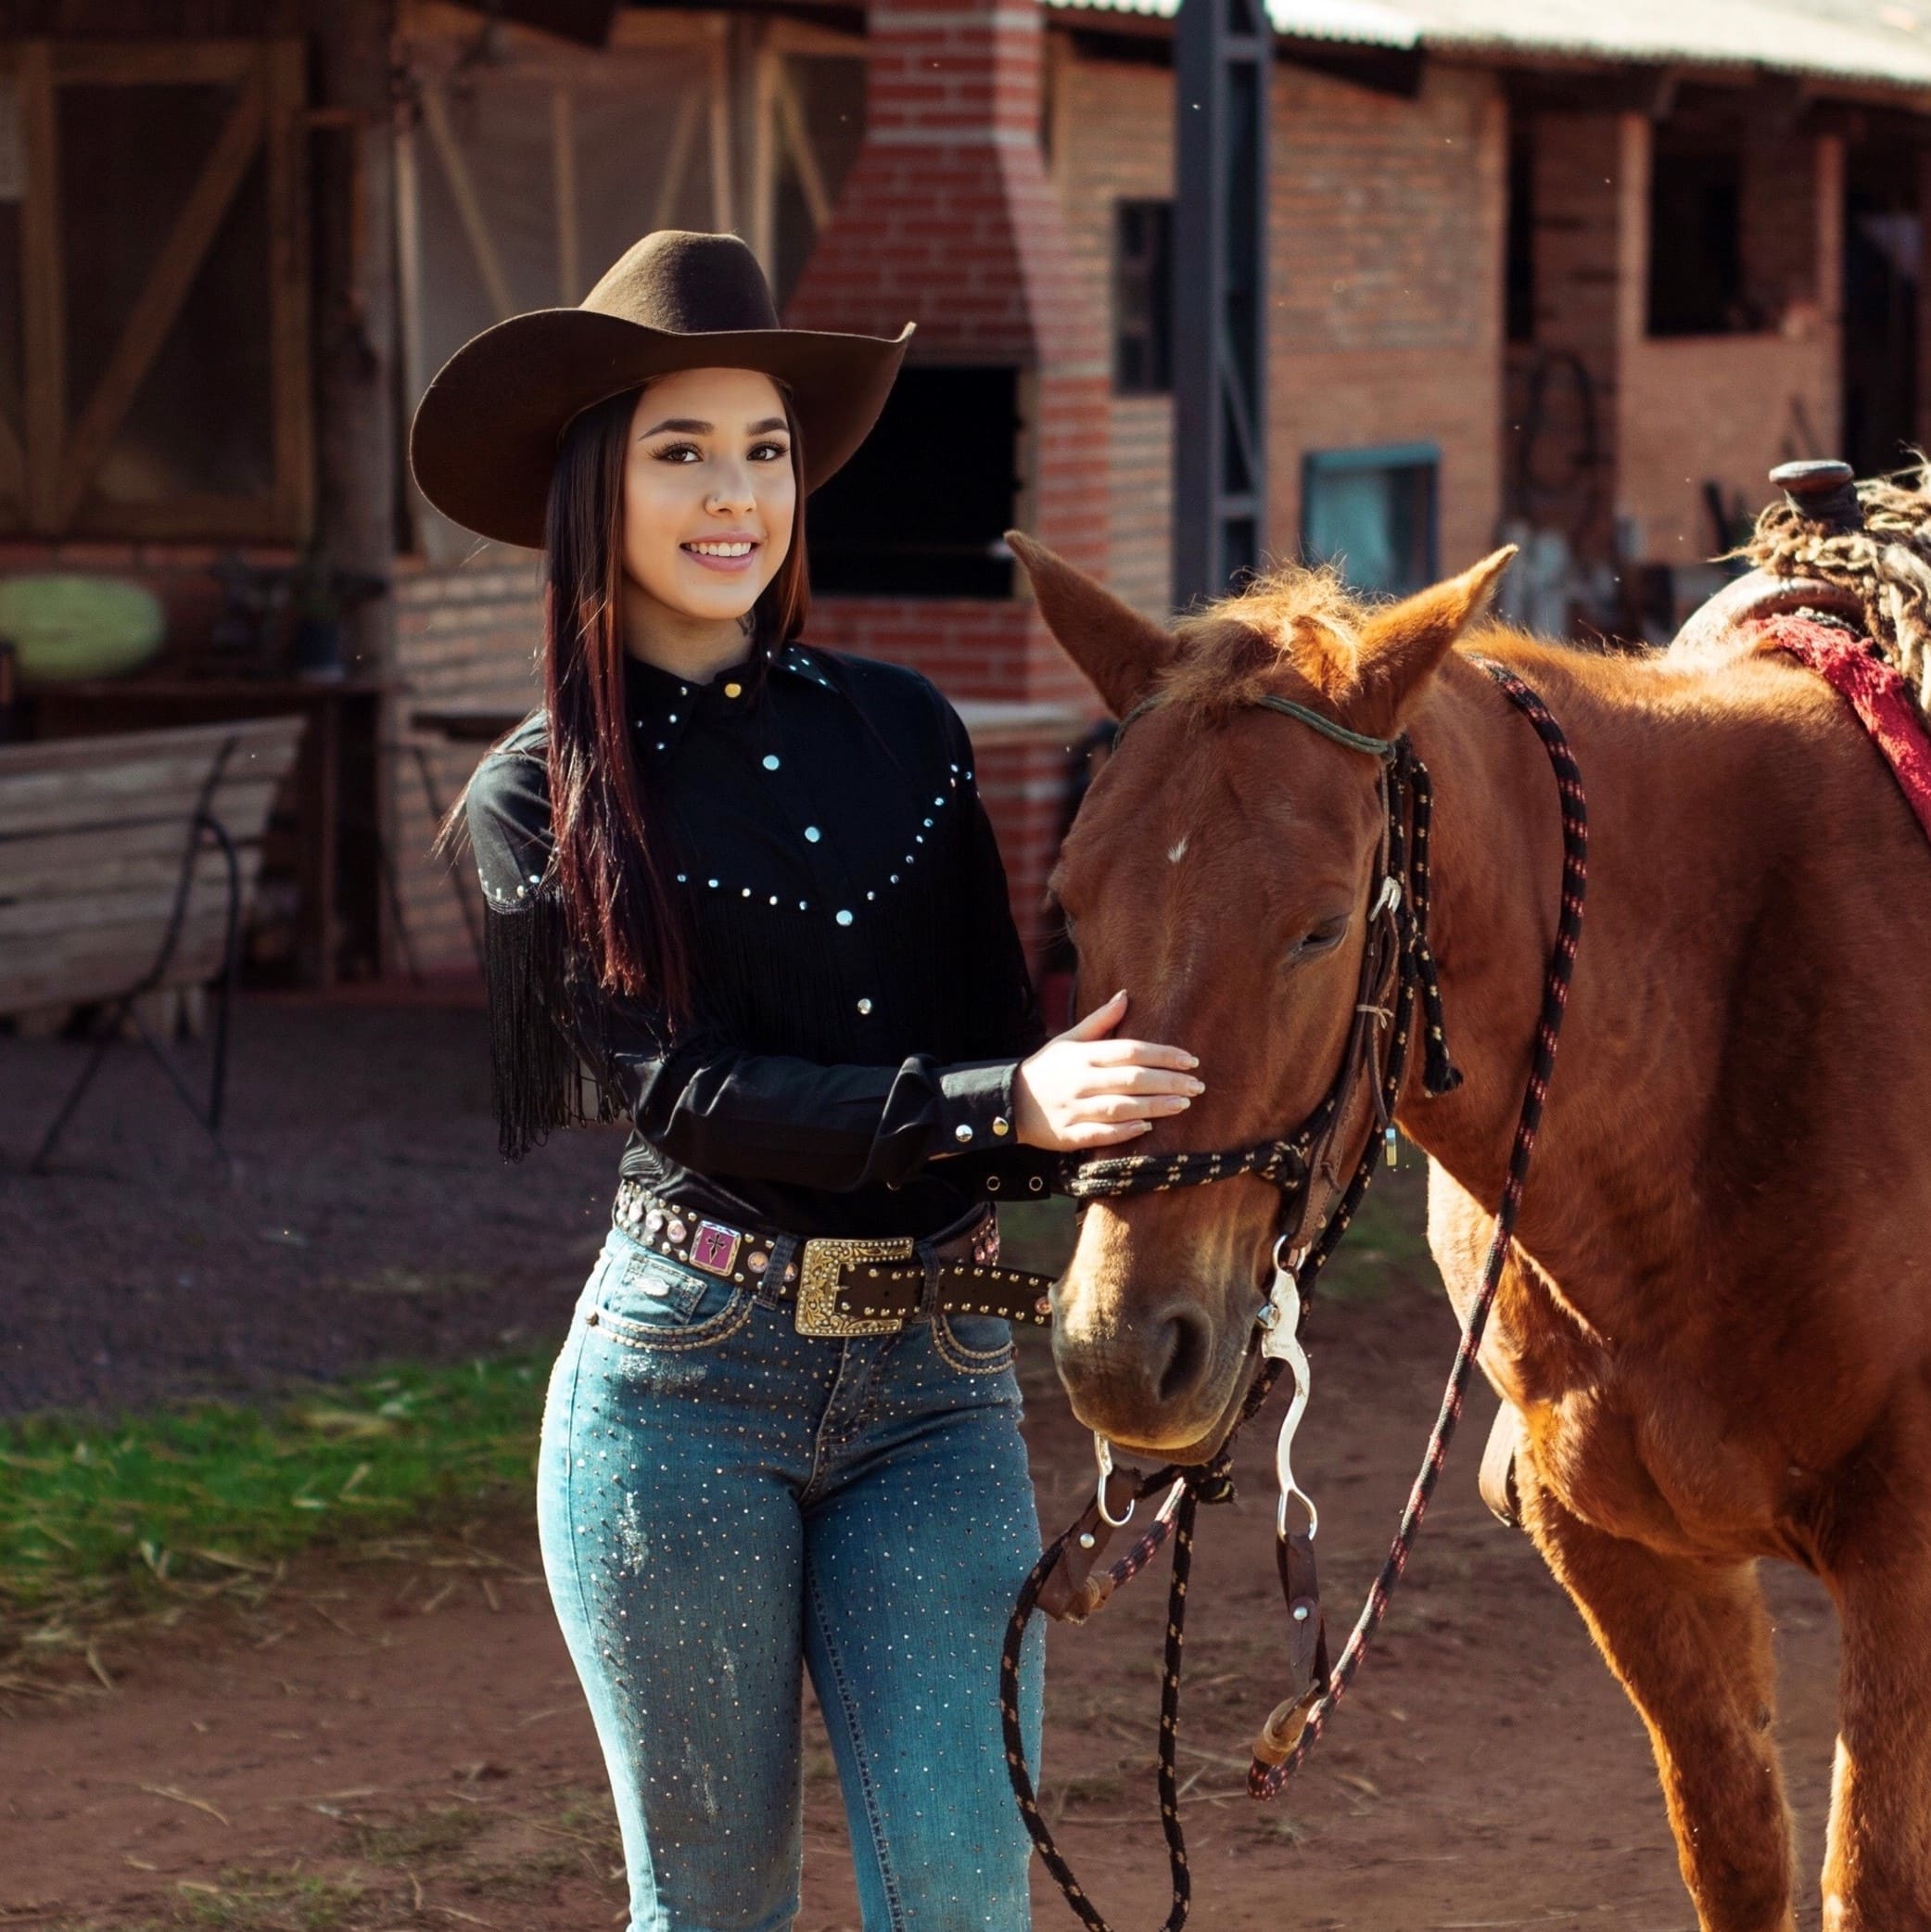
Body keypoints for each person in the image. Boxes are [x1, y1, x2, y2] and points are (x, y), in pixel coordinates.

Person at [409, 229, 1203, 1932]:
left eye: (764, 449)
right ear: (589, 486)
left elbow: (1016, 1039)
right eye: (681, 449)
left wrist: (1170, 1107)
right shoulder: (532, 796)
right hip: (683, 1396)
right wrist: (1005, 1107)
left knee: (966, 1900)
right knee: (713, 1906)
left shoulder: (908, 725)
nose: (735, 494)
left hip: (936, 1383)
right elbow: (682, 1095)